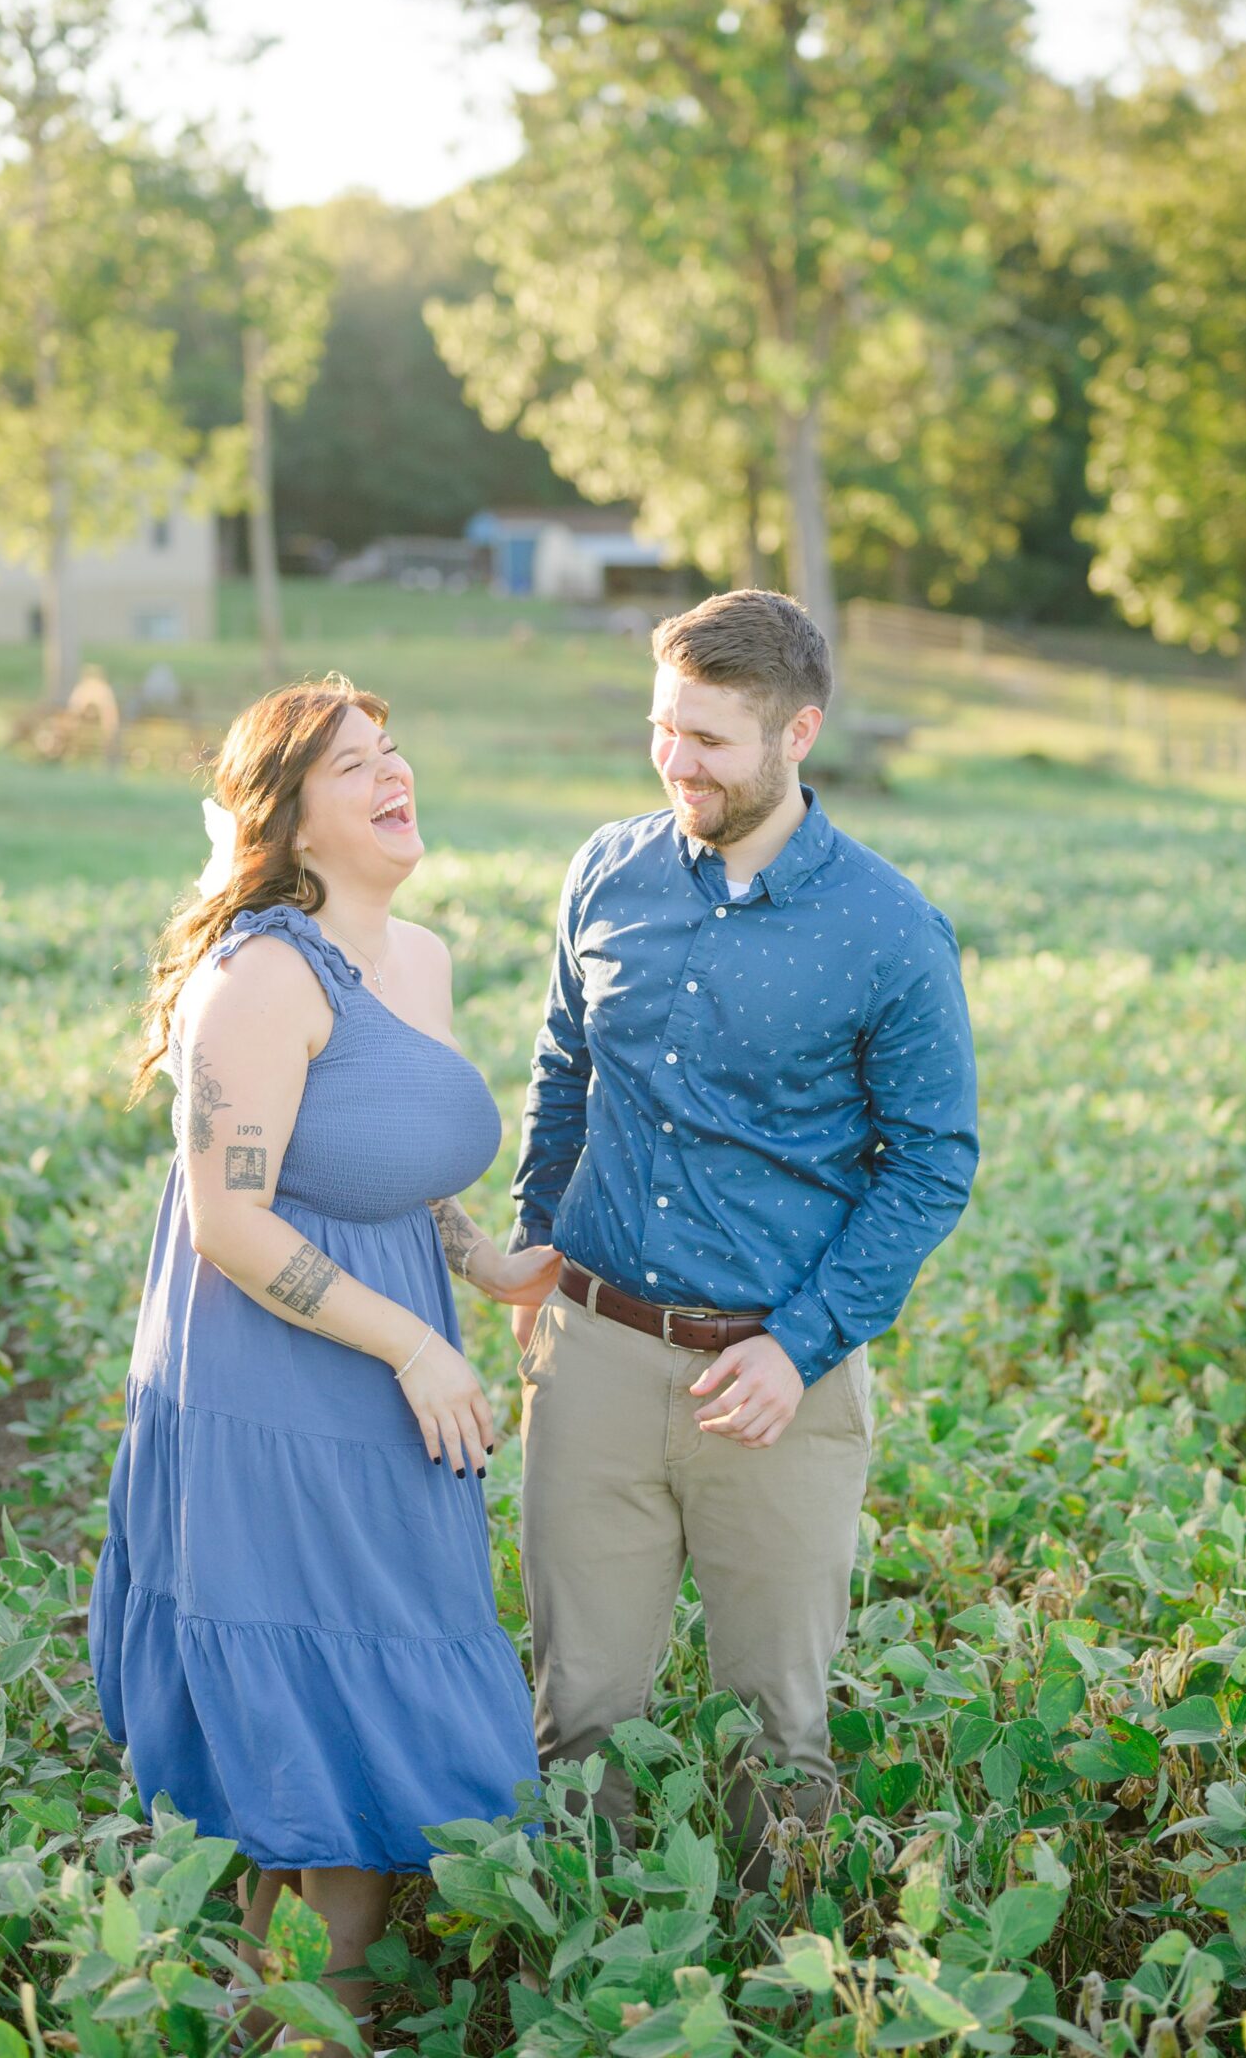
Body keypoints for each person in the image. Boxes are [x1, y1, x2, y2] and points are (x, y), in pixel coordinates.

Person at [89, 674, 560, 2033]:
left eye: (394, 750)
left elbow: (386, 1162)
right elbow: (232, 1221)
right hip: (273, 1383)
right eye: (354, 765)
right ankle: (284, 2016)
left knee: (370, 1707)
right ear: (286, 822)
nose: (392, 774)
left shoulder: (414, 958)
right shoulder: (258, 975)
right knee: (307, 1723)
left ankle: (312, 2012)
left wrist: (482, 1263)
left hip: (391, 1358)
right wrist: (419, 1344)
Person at [509, 589, 979, 1869]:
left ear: (797, 733)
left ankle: (774, 1980)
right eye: (663, 727)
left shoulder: (887, 928)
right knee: (580, 1722)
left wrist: (804, 1342)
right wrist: (535, 1241)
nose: (674, 762)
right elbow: (563, 1069)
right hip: (594, 1348)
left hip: (774, 1372)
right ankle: (586, 1973)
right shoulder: (603, 871)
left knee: (775, 1738)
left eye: (708, 739)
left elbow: (933, 1160)